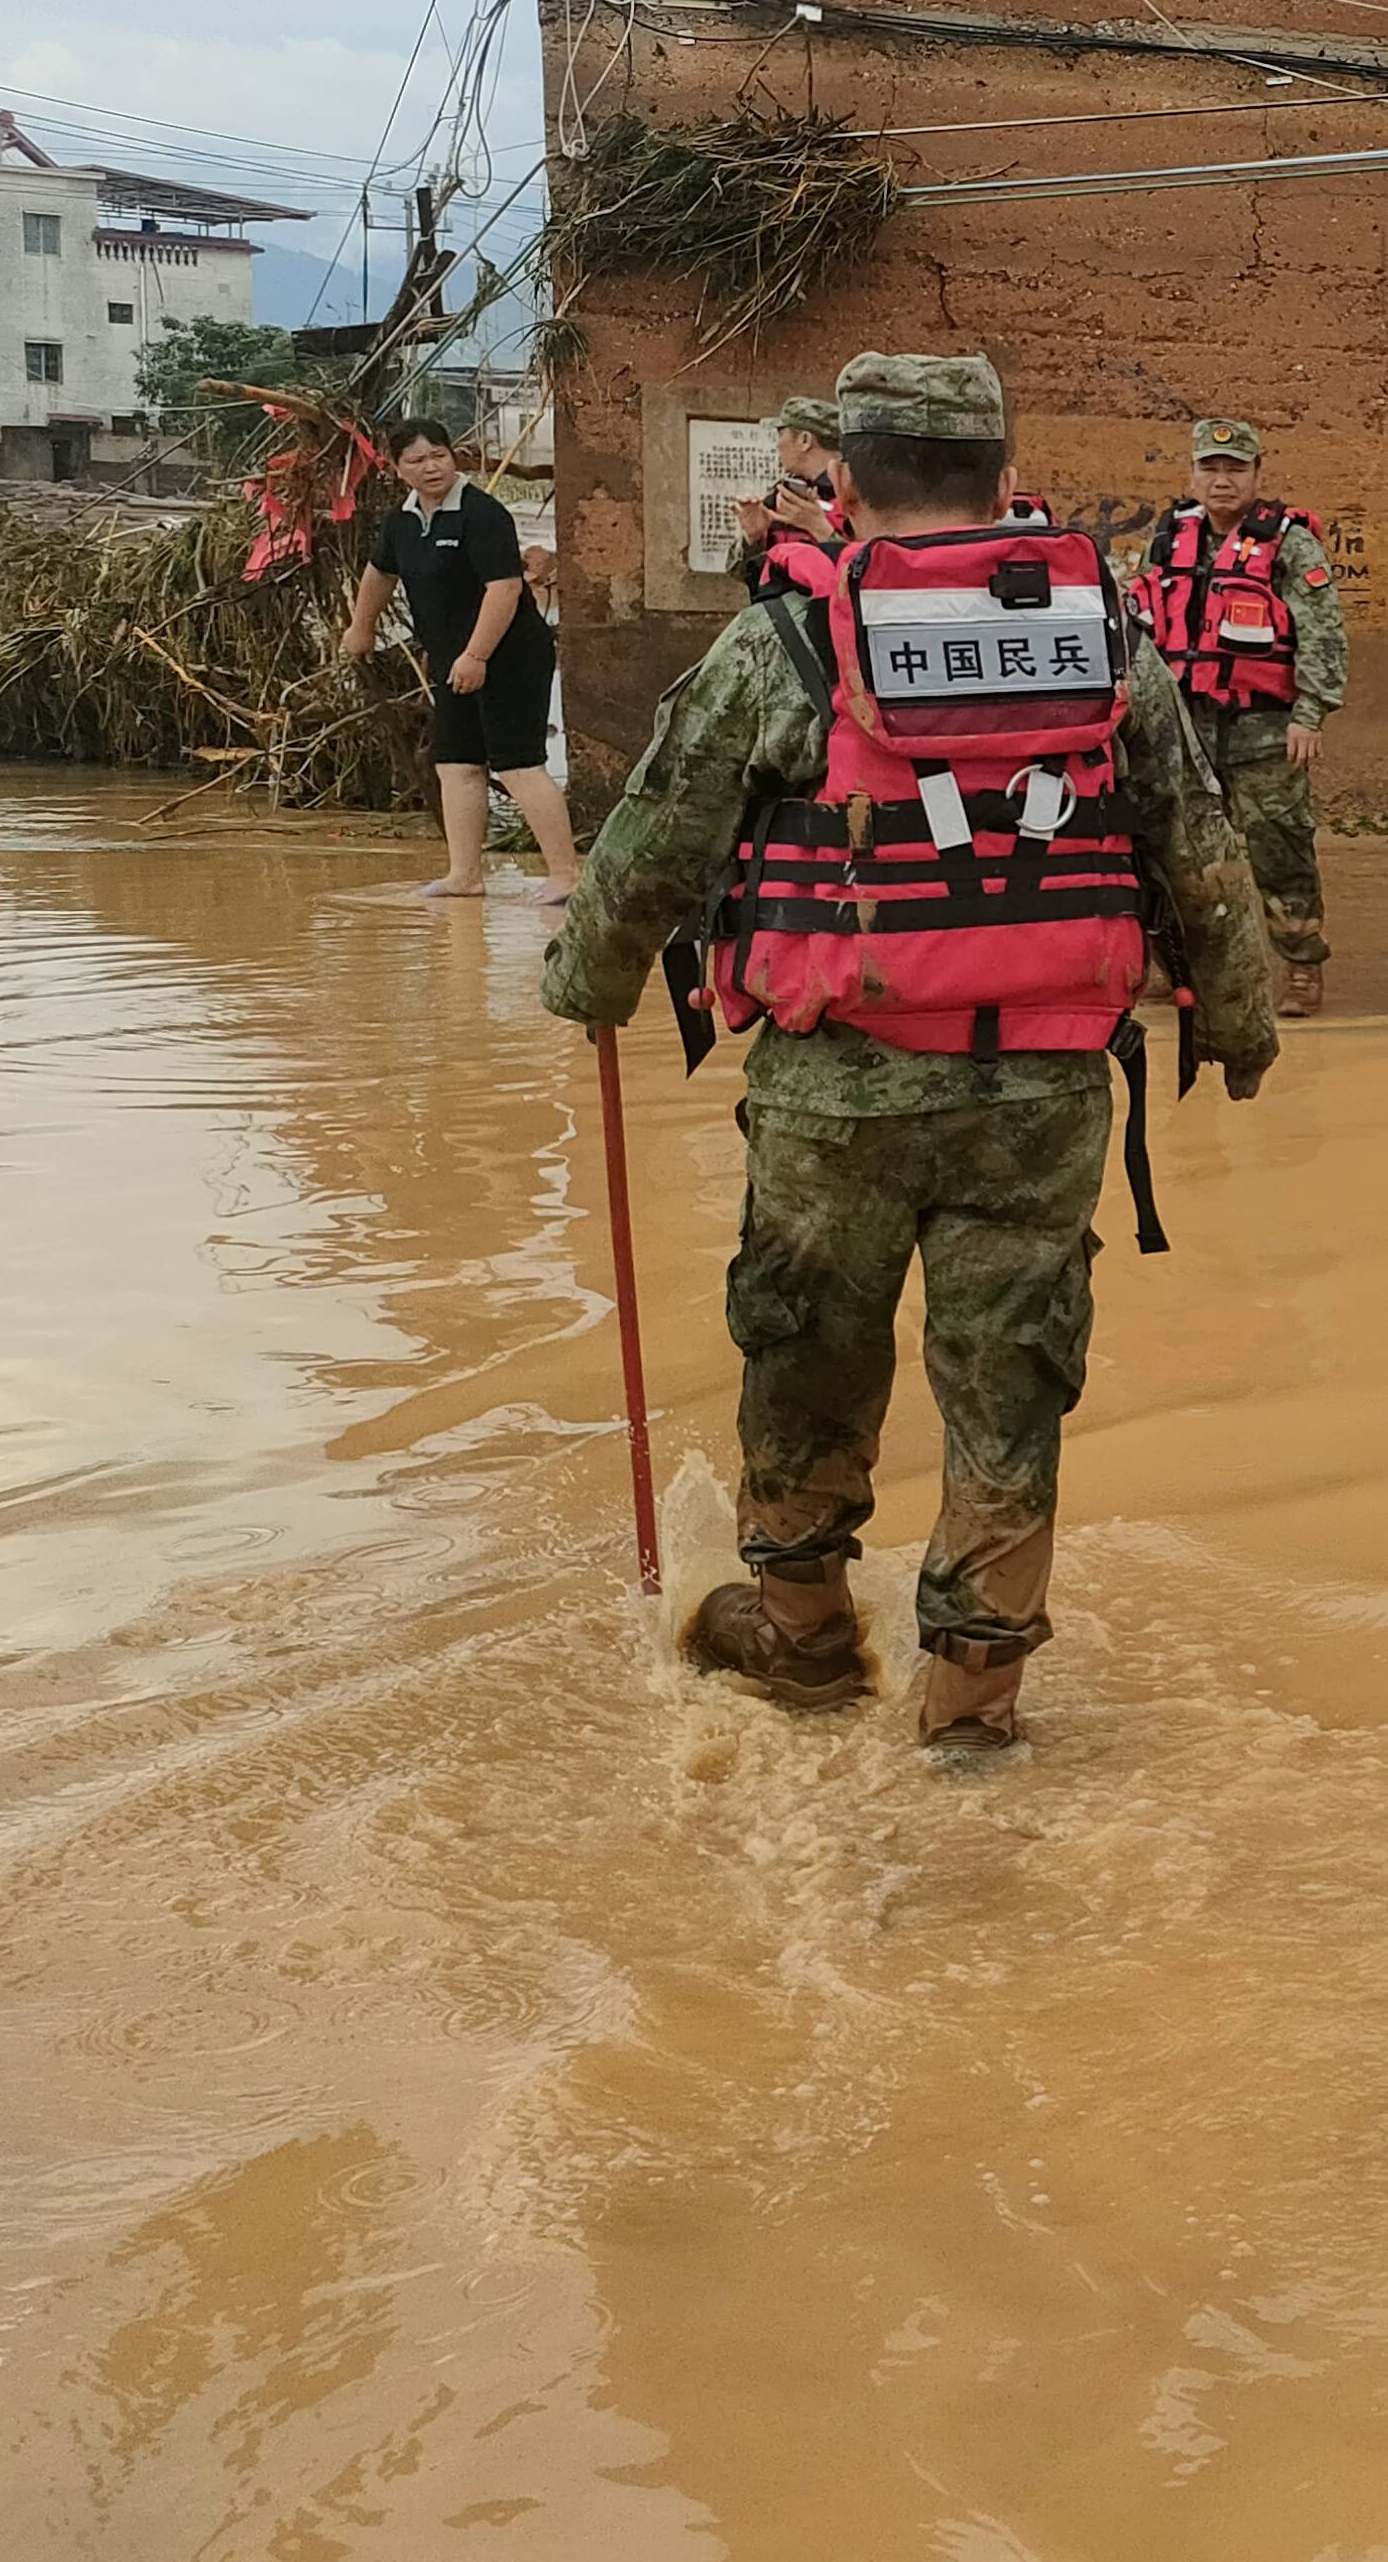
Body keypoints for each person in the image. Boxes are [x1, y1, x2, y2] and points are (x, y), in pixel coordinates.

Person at [536, 353, 1287, 1747]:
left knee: (807, 1349)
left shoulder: (786, 643)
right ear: (1005, 481)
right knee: (1011, 1380)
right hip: (1047, 1092)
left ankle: (806, 1639)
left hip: (837, 1091)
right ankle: (974, 1704)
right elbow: (1203, 852)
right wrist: (1241, 1031)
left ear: (844, 480)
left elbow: (650, 845)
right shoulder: (1109, 637)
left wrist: (587, 984)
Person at [1131, 417, 1346, 1019]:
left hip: (1264, 729)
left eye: (1235, 469)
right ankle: (1177, 967)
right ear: (1193, 473)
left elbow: (1322, 632)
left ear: (1257, 473)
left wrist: (1311, 712)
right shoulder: (1169, 536)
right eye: (1210, 468)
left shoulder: (1290, 543)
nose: (1221, 480)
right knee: (1175, 850)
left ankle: (1301, 965)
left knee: (1281, 849)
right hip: (1182, 725)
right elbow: (1142, 627)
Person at [341, 416, 582, 904]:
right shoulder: (401, 521)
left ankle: (566, 875)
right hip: (453, 660)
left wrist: (477, 655)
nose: (431, 468)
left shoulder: (483, 514)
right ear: (396, 468)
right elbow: (379, 574)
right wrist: (360, 627)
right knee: (455, 764)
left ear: (454, 457)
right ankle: (464, 875)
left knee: (518, 765)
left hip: (509, 654)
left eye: (439, 456)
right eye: (417, 460)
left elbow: (506, 588)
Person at [727, 394, 845, 603]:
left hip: (835, 623)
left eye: (781, 435)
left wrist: (821, 529)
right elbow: (739, 572)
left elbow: (874, 573)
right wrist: (754, 538)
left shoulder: (859, 496)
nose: (777, 446)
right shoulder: (783, 496)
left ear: (804, 440)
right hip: (781, 620)